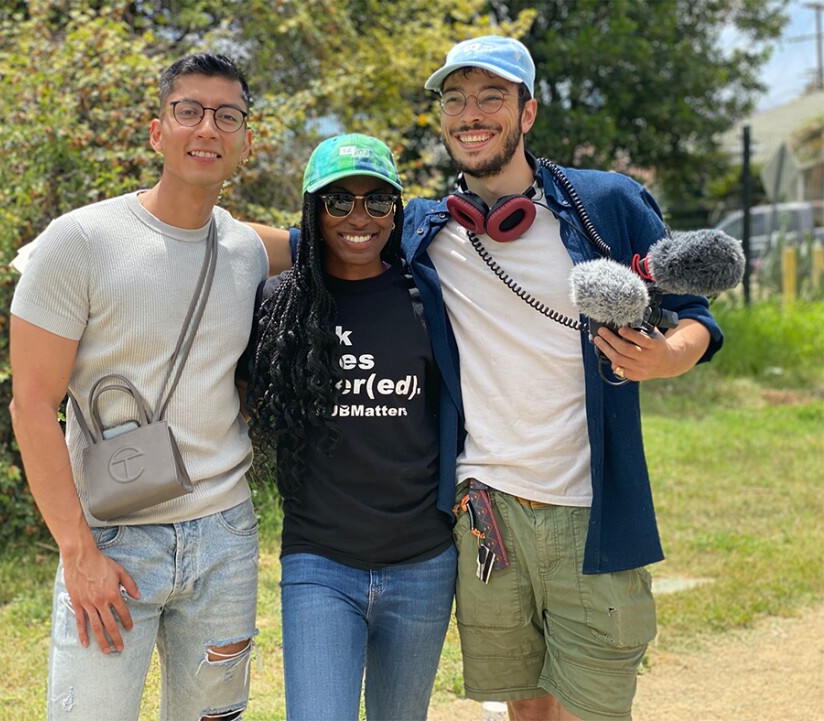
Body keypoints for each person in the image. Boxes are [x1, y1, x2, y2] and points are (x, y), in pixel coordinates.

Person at [399, 36, 724, 721]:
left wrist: (667, 356)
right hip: (487, 517)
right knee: (528, 713)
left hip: (592, 515)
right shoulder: (424, 230)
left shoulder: (606, 204)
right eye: (455, 99)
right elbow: (313, 236)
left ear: (528, 112)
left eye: (492, 97)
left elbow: (693, 316)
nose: (471, 113)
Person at [9, 52, 272, 721]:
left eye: (227, 115)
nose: (207, 127)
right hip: (110, 539)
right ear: (158, 131)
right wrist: (77, 551)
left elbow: (340, 236)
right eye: (188, 110)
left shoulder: (244, 249)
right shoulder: (81, 241)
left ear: (244, 139)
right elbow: (32, 405)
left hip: (225, 539)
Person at [246, 134, 457, 721]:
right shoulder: (279, 305)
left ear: (397, 209)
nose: (358, 217)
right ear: (312, 211)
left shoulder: (431, 299)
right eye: (337, 201)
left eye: (376, 202)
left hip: (423, 563)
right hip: (320, 562)